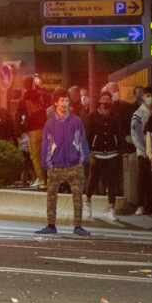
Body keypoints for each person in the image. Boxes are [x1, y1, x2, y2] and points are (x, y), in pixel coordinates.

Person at [36, 91, 90, 237]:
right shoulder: (50, 123)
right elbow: (46, 144)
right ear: (56, 103)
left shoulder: (76, 121)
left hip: (74, 165)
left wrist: (83, 159)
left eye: (66, 101)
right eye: (62, 101)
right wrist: (46, 163)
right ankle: (51, 225)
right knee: (51, 196)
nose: (65, 103)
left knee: (77, 196)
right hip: (56, 165)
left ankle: (78, 226)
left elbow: (82, 140)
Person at [85, 90, 123, 222]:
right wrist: (88, 151)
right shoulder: (92, 116)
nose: (106, 102)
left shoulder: (115, 116)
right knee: (93, 180)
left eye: (108, 99)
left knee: (112, 182)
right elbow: (87, 135)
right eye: (104, 99)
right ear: (99, 101)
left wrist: (120, 149)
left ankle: (111, 208)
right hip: (96, 153)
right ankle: (87, 203)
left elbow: (119, 134)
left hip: (112, 153)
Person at [130, 90, 152, 216]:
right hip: (143, 152)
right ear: (142, 98)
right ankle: (141, 205)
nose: (150, 98)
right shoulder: (138, 114)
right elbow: (135, 135)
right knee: (143, 179)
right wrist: (144, 151)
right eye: (148, 96)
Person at [20, 77, 48, 188]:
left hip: (33, 130)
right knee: (44, 154)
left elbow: (21, 114)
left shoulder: (25, 97)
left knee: (35, 156)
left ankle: (41, 180)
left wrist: (21, 129)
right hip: (45, 128)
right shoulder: (42, 96)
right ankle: (45, 178)